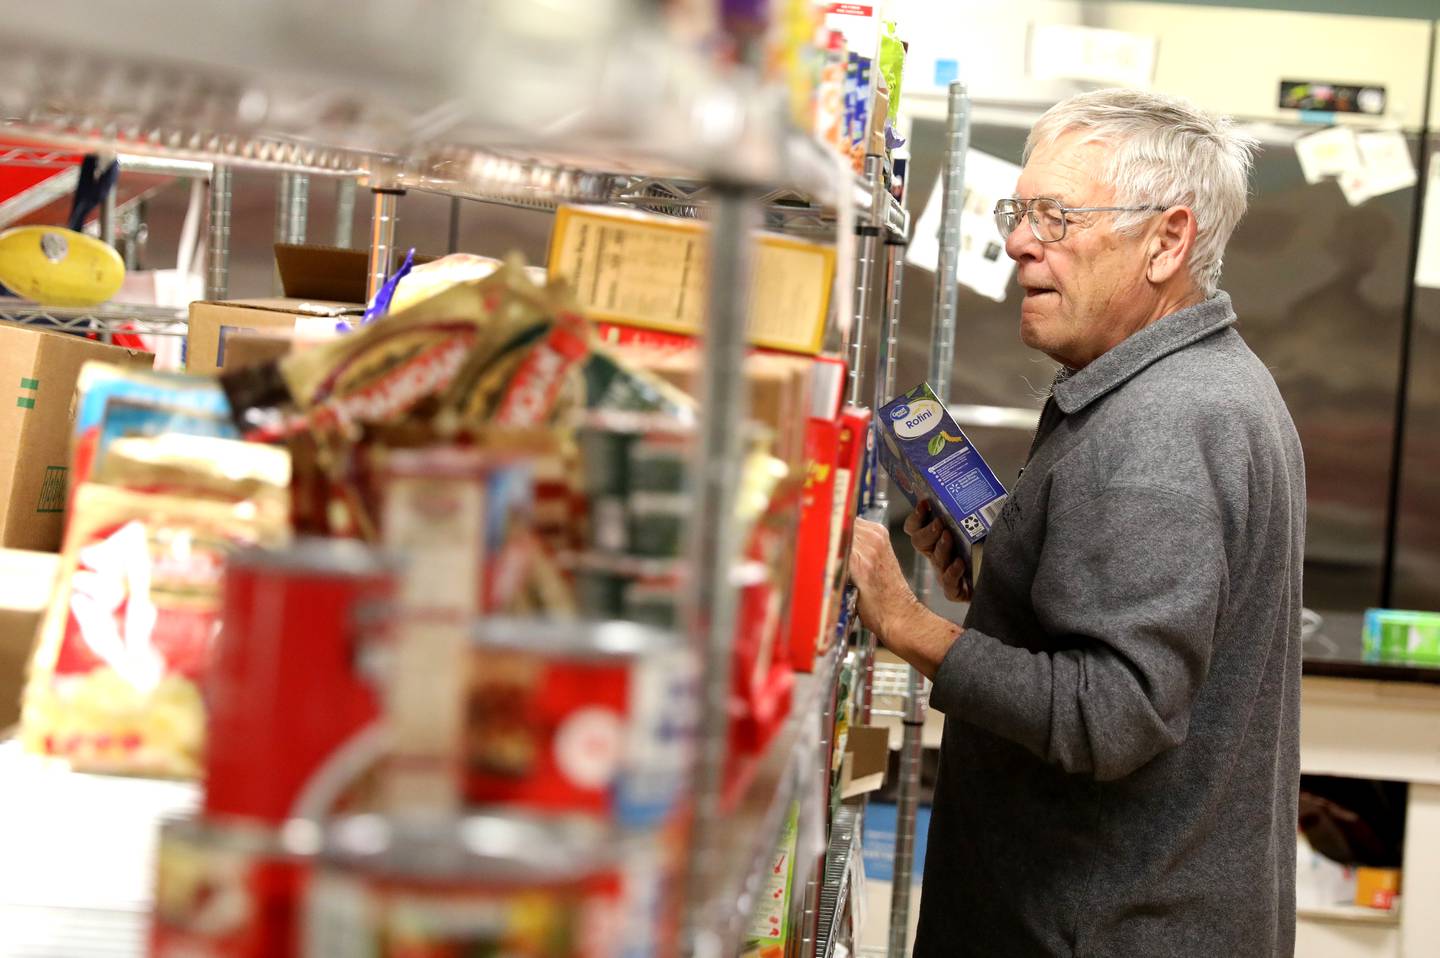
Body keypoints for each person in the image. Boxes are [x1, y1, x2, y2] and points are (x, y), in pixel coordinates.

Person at [849, 88, 1305, 956]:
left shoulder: (1167, 420)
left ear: (1167, 240)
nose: (1020, 240)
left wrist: (905, 624)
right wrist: (1009, 580)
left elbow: (1111, 715)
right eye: (1020, 211)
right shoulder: (1197, 382)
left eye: (1057, 217)